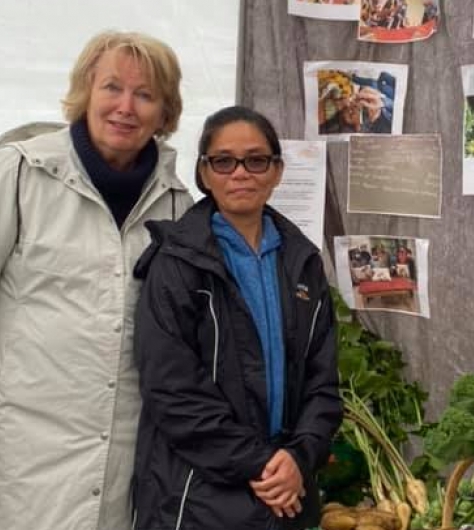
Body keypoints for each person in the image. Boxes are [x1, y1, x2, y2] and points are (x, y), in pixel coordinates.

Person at [0, 31, 191, 529]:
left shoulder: (174, 204)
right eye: (111, 88)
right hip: (14, 458)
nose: (125, 107)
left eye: (145, 95)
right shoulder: (19, 173)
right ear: (86, 90)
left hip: (115, 463)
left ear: (165, 113)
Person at [131, 106, 342, 530]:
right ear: (204, 174)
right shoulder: (175, 263)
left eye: (256, 160)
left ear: (277, 171)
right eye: (223, 161)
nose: (240, 173)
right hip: (197, 497)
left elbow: (324, 384)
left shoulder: (303, 262)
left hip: (288, 494)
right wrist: (262, 464)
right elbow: (171, 391)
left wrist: (300, 457)